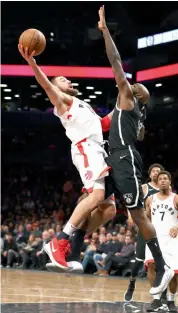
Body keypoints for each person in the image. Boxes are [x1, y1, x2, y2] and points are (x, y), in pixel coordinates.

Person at [18, 44, 116, 271]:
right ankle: (60, 241)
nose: (67, 81)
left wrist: (123, 102)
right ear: (55, 88)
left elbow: (103, 125)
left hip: (99, 151)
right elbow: (44, 83)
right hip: (86, 149)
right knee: (97, 195)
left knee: (108, 210)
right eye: (61, 79)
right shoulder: (61, 101)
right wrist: (32, 62)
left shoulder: (85, 106)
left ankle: (73, 240)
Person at [97, 5, 174, 295]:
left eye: (134, 86)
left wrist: (105, 30)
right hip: (117, 155)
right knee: (99, 199)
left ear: (136, 94)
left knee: (139, 215)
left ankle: (164, 266)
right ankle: (69, 240)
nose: (129, 85)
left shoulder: (129, 99)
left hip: (124, 156)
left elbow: (115, 60)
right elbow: (140, 133)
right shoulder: (134, 110)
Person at [124, 163, 164, 301]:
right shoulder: (144, 188)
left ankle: (161, 293)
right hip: (146, 228)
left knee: (160, 262)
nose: (155, 173)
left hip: (161, 230)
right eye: (153, 171)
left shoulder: (166, 190)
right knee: (139, 260)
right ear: (150, 174)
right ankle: (131, 284)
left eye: (158, 171)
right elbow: (132, 202)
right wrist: (130, 216)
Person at [145, 171, 178, 312]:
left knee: (174, 271)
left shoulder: (176, 198)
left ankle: (171, 300)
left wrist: (176, 226)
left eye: (166, 178)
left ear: (170, 182)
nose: (163, 181)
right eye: (160, 179)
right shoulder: (150, 199)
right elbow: (146, 219)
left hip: (171, 238)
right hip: (155, 238)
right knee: (151, 265)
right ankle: (157, 300)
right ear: (157, 183)